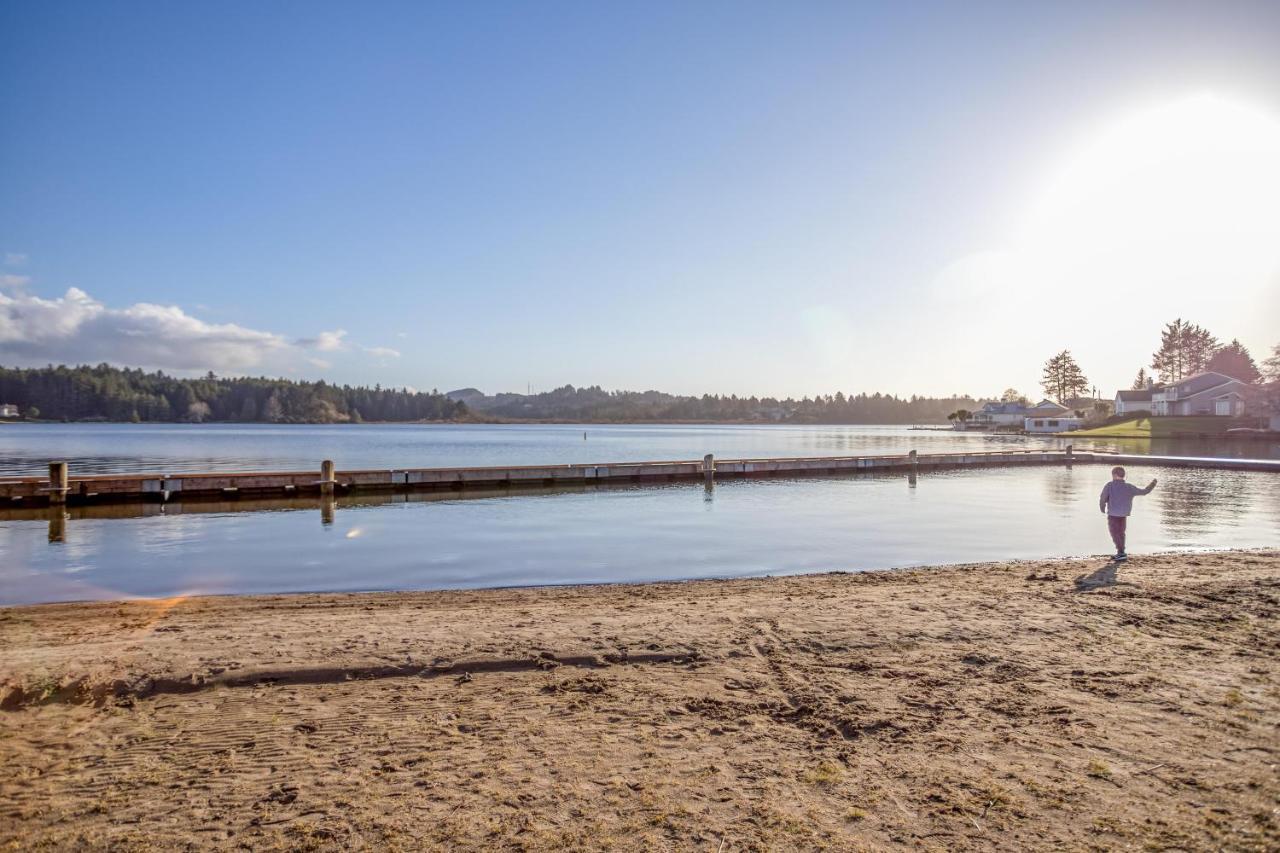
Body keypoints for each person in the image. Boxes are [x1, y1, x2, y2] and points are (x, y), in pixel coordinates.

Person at [1098, 466, 1156, 561]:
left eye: (1112, 475)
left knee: (1114, 533)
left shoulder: (1109, 485)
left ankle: (1121, 552)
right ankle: (1121, 552)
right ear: (1123, 475)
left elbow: (1103, 497)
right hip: (1124, 514)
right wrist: (1153, 484)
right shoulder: (1129, 487)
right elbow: (1144, 491)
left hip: (1113, 514)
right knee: (1121, 533)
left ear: (1114, 475)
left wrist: (1102, 507)